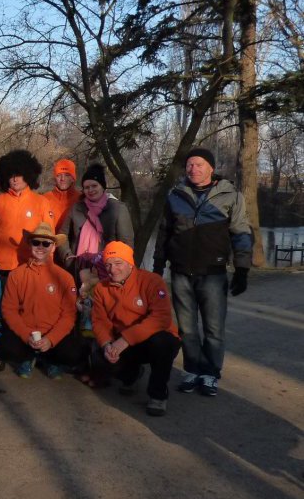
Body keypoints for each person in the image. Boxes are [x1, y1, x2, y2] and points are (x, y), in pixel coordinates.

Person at [152, 147, 252, 398]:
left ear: (210, 168)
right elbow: (164, 232)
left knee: (214, 328)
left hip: (213, 271)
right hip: (181, 271)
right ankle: (192, 370)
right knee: (187, 328)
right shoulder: (176, 195)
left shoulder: (230, 195)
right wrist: (158, 264)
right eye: (190, 165)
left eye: (199, 164)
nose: (193, 169)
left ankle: (210, 374)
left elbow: (240, 232)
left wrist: (242, 269)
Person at [93, 241, 181, 417]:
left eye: (118, 263)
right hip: (124, 342)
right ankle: (131, 376)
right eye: (108, 265)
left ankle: (158, 394)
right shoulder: (101, 288)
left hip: (152, 339)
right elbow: (99, 321)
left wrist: (124, 340)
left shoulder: (152, 281)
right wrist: (107, 344)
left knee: (162, 343)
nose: (113, 270)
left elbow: (161, 318)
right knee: (100, 357)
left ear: (130, 262)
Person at [0, 223, 84, 379]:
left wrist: (51, 340)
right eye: (36, 242)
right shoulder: (16, 275)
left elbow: (69, 314)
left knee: (74, 353)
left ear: (53, 247)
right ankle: (27, 358)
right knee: (4, 347)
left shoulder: (64, 277)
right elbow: (9, 309)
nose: (41, 247)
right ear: (30, 244)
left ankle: (50, 360)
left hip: (53, 334)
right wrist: (25, 335)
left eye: (46, 243)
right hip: (27, 333)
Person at [0, 149, 55, 285]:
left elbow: (49, 237)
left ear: (28, 175)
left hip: (31, 265)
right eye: (11, 175)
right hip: (2, 268)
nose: (15, 179)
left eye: (19, 175)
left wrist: (47, 265)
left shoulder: (42, 202)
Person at [57, 163, 135, 274]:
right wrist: (67, 257)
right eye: (86, 187)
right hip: (77, 268)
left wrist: (117, 268)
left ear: (103, 186)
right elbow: (62, 235)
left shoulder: (118, 209)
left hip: (107, 271)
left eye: (94, 186)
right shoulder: (77, 207)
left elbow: (127, 243)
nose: (90, 190)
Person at [43, 159, 81, 231]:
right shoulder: (45, 199)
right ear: (55, 178)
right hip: (50, 241)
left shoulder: (81, 199)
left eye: (67, 175)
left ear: (73, 179)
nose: (62, 179)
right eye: (59, 175)